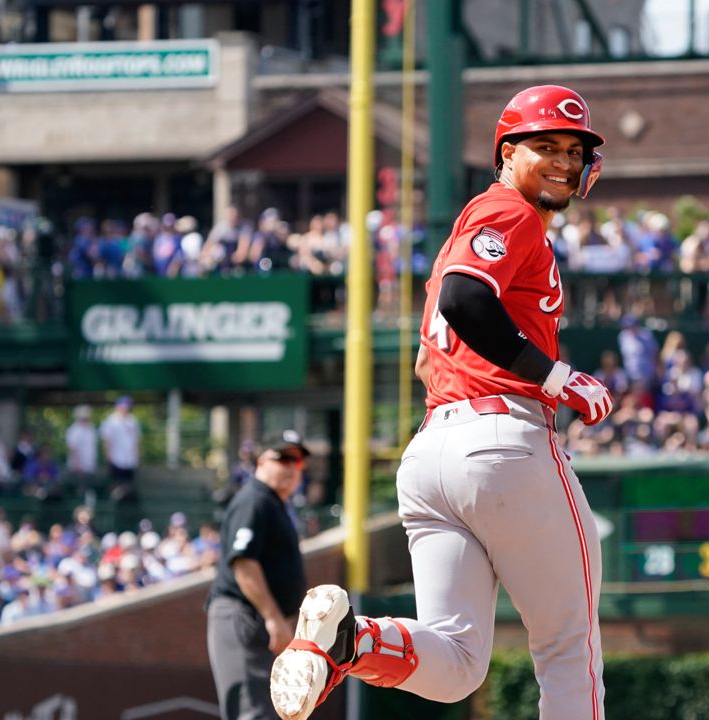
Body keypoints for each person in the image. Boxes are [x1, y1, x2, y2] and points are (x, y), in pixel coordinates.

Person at [269, 85, 614, 720]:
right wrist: (557, 377)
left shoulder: (473, 226)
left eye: (574, 149)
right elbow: (464, 300)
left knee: (456, 666)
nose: (564, 160)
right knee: (569, 645)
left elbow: (430, 352)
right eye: (546, 146)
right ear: (507, 153)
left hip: (431, 455)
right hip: (502, 440)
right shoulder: (509, 213)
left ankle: (352, 640)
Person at [207, 430, 310, 720]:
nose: (292, 466)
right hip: (244, 615)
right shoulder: (254, 500)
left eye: (298, 461)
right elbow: (244, 564)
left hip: (260, 619)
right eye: (283, 458)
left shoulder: (273, 503)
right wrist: (274, 617)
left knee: (267, 710)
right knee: (251, 712)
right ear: (262, 461)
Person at [99, 396, 140, 502]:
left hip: (129, 460)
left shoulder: (132, 421)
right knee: (115, 484)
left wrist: (136, 457)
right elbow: (106, 441)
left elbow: (135, 441)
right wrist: (109, 457)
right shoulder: (110, 421)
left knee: (129, 485)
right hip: (116, 459)